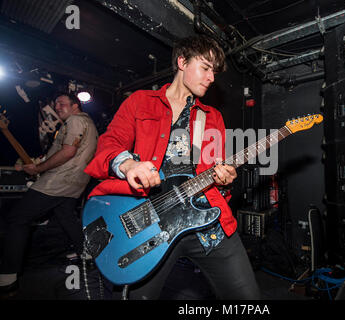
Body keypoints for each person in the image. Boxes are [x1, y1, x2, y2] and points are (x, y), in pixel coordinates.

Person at [83, 34, 261, 300]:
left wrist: (225, 178)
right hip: (152, 224)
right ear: (182, 62)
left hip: (207, 222)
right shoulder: (140, 102)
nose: (211, 78)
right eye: (205, 68)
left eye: (214, 72)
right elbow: (109, 143)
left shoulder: (212, 117)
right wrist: (129, 164)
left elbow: (216, 168)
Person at [0, 93, 98, 297]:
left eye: (62, 103)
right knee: (66, 218)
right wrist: (33, 164)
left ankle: (8, 276)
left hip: (57, 182)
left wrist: (38, 169)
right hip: (74, 184)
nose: (58, 107)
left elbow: (68, 152)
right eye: (56, 104)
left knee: (17, 219)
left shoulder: (76, 120)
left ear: (75, 105)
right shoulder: (86, 123)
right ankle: (87, 255)